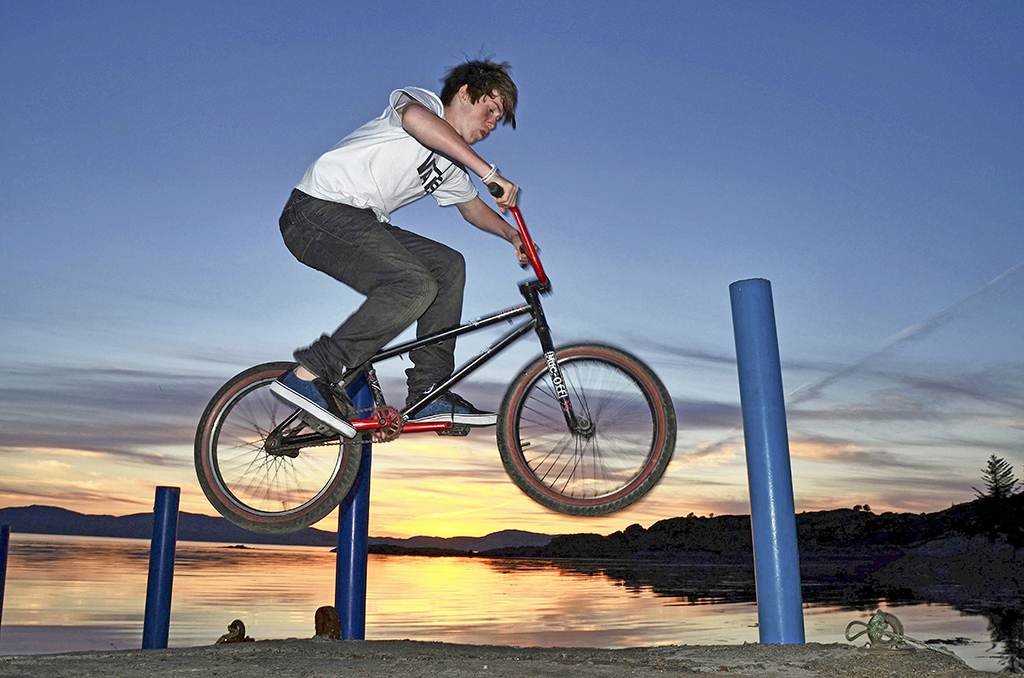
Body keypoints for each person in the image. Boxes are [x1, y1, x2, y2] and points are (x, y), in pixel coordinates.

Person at [270, 59, 525, 439]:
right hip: (316, 210)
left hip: (358, 222)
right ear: (464, 93)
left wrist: (512, 236)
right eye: (489, 110)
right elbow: (415, 120)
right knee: (414, 285)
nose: (490, 125)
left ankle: (428, 392)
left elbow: (472, 208)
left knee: (448, 266)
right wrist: (488, 172)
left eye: (497, 119)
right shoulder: (424, 105)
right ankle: (310, 373)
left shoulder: (451, 165)